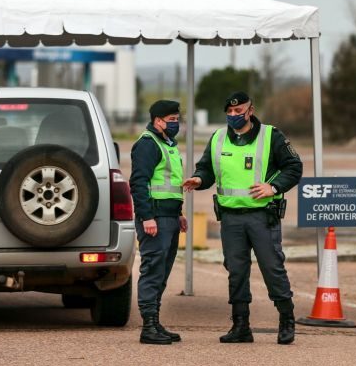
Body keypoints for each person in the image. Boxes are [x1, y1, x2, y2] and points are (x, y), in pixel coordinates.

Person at [182, 91, 303, 345]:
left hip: (262, 216)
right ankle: (240, 326)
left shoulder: (271, 135)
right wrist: (199, 179)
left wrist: (274, 187)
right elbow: (207, 168)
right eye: (230, 112)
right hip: (231, 219)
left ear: (250, 110)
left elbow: (294, 166)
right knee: (236, 272)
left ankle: (286, 321)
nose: (234, 116)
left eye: (239, 111)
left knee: (272, 269)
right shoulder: (217, 138)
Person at [129, 99, 188, 345]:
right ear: (158, 121)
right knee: (152, 270)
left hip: (169, 216)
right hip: (155, 218)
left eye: (177, 119)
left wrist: (179, 213)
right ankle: (148, 326)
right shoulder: (147, 144)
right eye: (171, 120)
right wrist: (147, 217)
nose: (176, 124)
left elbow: (170, 185)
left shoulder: (168, 144)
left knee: (162, 271)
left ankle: (155, 322)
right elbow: (139, 183)